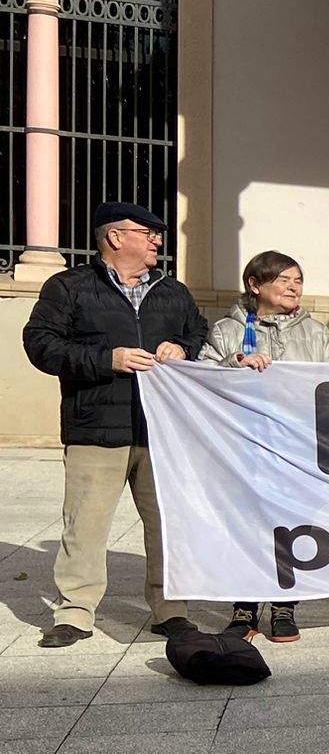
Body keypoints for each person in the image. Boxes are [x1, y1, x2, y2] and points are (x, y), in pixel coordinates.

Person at [22, 202, 207, 647]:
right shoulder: (69, 287)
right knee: (84, 524)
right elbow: (40, 344)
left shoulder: (173, 291)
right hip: (94, 426)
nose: (157, 240)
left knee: (166, 523)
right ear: (116, 237)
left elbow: (199, 332)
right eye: (148, 232)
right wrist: (108, 360)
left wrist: (183, 347)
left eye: (158, 234)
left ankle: (170, 610)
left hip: (161, 431)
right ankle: (76, 613)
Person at [198, 251, 329, 645]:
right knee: (245, 525)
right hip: (244, 447)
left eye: (298, 280)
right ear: (255, 285)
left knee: (290, 524)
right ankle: (243, 608)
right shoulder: (227, 329)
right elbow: (200, 376)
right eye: (283, 280)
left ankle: (284, 605)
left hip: (295, 448)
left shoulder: (315, 333)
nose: (294, 287)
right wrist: (235, 362)